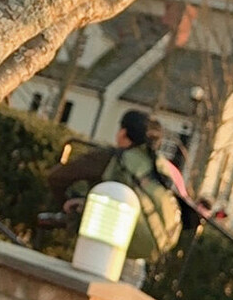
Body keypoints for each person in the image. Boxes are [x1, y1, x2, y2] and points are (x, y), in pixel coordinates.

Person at [46, 109, 184, 264]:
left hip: (105, 247)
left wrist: (72, 205)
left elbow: (56, 177)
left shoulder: (110, 159)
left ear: (123, 133)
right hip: (148, 250)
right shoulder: (160, 166)